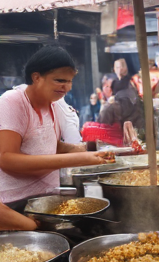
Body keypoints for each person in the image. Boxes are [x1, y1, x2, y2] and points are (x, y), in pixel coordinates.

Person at [0, 46, 112, 203]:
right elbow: (6, 159)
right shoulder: (12, 102)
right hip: (16, 203)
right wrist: (79, 159)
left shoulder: (53, 103)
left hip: (48, 200)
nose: (67, 87)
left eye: (69, 81)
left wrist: (88, 149)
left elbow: (46, 144)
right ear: (36, 77)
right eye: (59, 80)